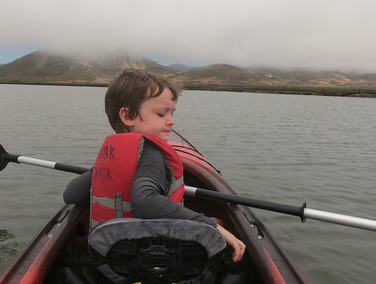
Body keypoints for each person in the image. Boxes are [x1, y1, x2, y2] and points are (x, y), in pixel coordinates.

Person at [63, 69, 246, 262]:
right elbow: (144, 202)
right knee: (218, 222)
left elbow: (71, 195)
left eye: (172, 113)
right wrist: (209, 224)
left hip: (105, 253)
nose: (171, 121)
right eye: (161, 114)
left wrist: (95, 174)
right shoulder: (152, 154)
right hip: (147, 258)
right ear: (128, 116)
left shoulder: (113, 154)